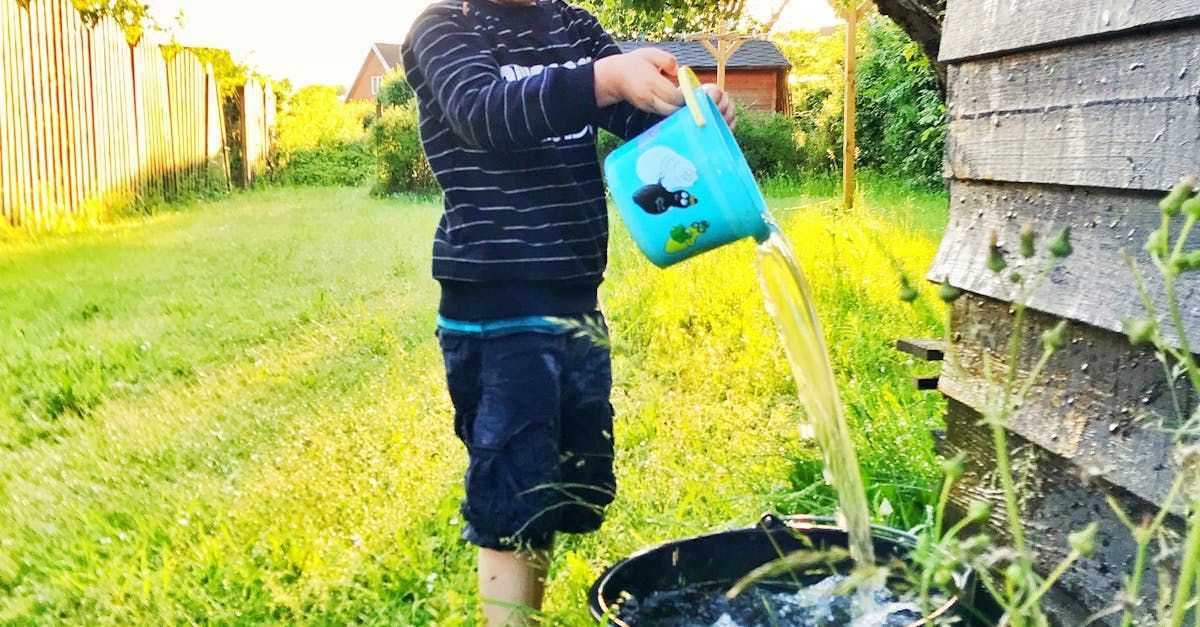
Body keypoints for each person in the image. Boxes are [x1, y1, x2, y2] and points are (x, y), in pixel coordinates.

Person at [402, 1, 735, 623]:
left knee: (552, 487)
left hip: (576, 300)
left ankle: (523, 612)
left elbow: (638, 121)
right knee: (513, 498)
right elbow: (481, 113)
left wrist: (694, 112)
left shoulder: (573, 26)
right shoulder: (445, 26)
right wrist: (605, 77)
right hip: (496, 307)